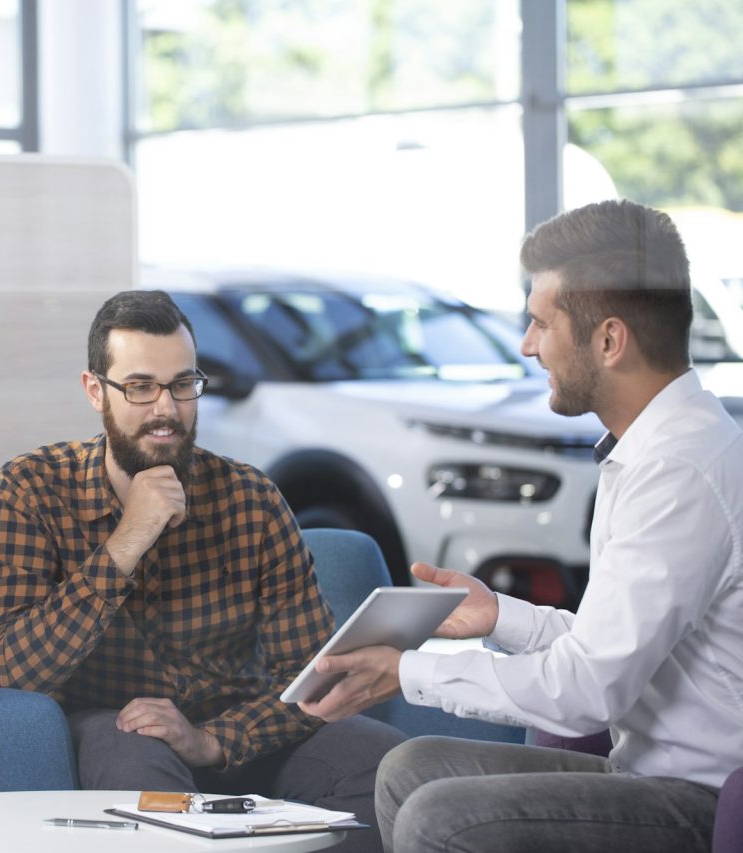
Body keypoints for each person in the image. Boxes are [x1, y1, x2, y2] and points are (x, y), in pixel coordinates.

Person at [300, 199, 743, 853]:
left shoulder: (680, 470)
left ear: (609, 340)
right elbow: (614, 646)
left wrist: (411, 672)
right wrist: (498, 615)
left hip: (696, 800)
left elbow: (589, 689)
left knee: (441, 816)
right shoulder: (657, 448)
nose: (527, 345)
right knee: (410, 769)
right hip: (646, 774)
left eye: (540, 323)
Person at [0, 289, 406, 853]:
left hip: (245, 735)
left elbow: (308, 678)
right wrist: (127, 539)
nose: (166, 409)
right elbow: (14, 667)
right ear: (95, 391)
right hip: (121, 731)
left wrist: (211, 741)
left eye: (183, 385)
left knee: (391, 768)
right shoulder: (33, 486)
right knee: (135, 756)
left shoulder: (251, 497)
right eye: (139, 387)